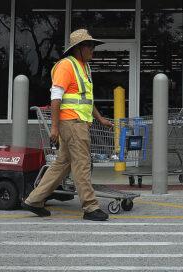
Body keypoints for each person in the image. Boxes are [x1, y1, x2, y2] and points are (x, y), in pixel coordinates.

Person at [22, 29, 115, 221]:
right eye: (90, 46)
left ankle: (34, 200)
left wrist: (100, 119)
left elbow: (86, 100)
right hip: (72, 123)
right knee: (82, 164)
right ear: (79, 48)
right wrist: (54, 128)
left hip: (78, 123)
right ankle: (90, 207)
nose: (93, 49)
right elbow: (55, 98)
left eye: (94, 45)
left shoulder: (84, 67)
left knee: (62, 165)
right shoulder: (66, 66)